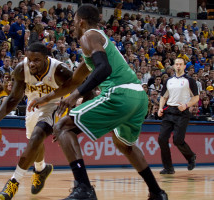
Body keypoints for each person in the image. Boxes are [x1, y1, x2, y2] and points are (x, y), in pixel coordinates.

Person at [28, 4, 167, 200]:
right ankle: (157, 192)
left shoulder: (88, 36)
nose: (73, 26)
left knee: (63, 127)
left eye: (74, 22)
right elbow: (74, 81)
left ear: (81, 22)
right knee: (124, 144)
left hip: (120, 93)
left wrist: (76, 95)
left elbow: (104, 69)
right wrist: (47, 98)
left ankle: (83, 188)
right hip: (138, 97)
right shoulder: (96, 44)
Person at [0, 43, 72, 200]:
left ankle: (14, 181)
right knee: (34, 142)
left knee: (37, 136)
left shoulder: (59, 70)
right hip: (33, 105)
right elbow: (13, 98)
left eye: (37, 60)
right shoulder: (21, 69)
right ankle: (41, 169)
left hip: (55, 105)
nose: (32, 63)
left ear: (46, 59)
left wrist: (70, 121)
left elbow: (77, 89)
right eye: (29, 59)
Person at [158, 57, 199, 174]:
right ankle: (168, 167)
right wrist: (161, 108)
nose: (178, 66)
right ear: (174, 66)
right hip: (169, 111)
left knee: (177, 140)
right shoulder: (169, 81)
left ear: (184, 66)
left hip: (182, 113)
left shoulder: (189, 80)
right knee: (162, 139)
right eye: (176, 64)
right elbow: (164, 96)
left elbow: (196, 97)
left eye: (181, 64)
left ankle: (191, 156)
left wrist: (186, 105)